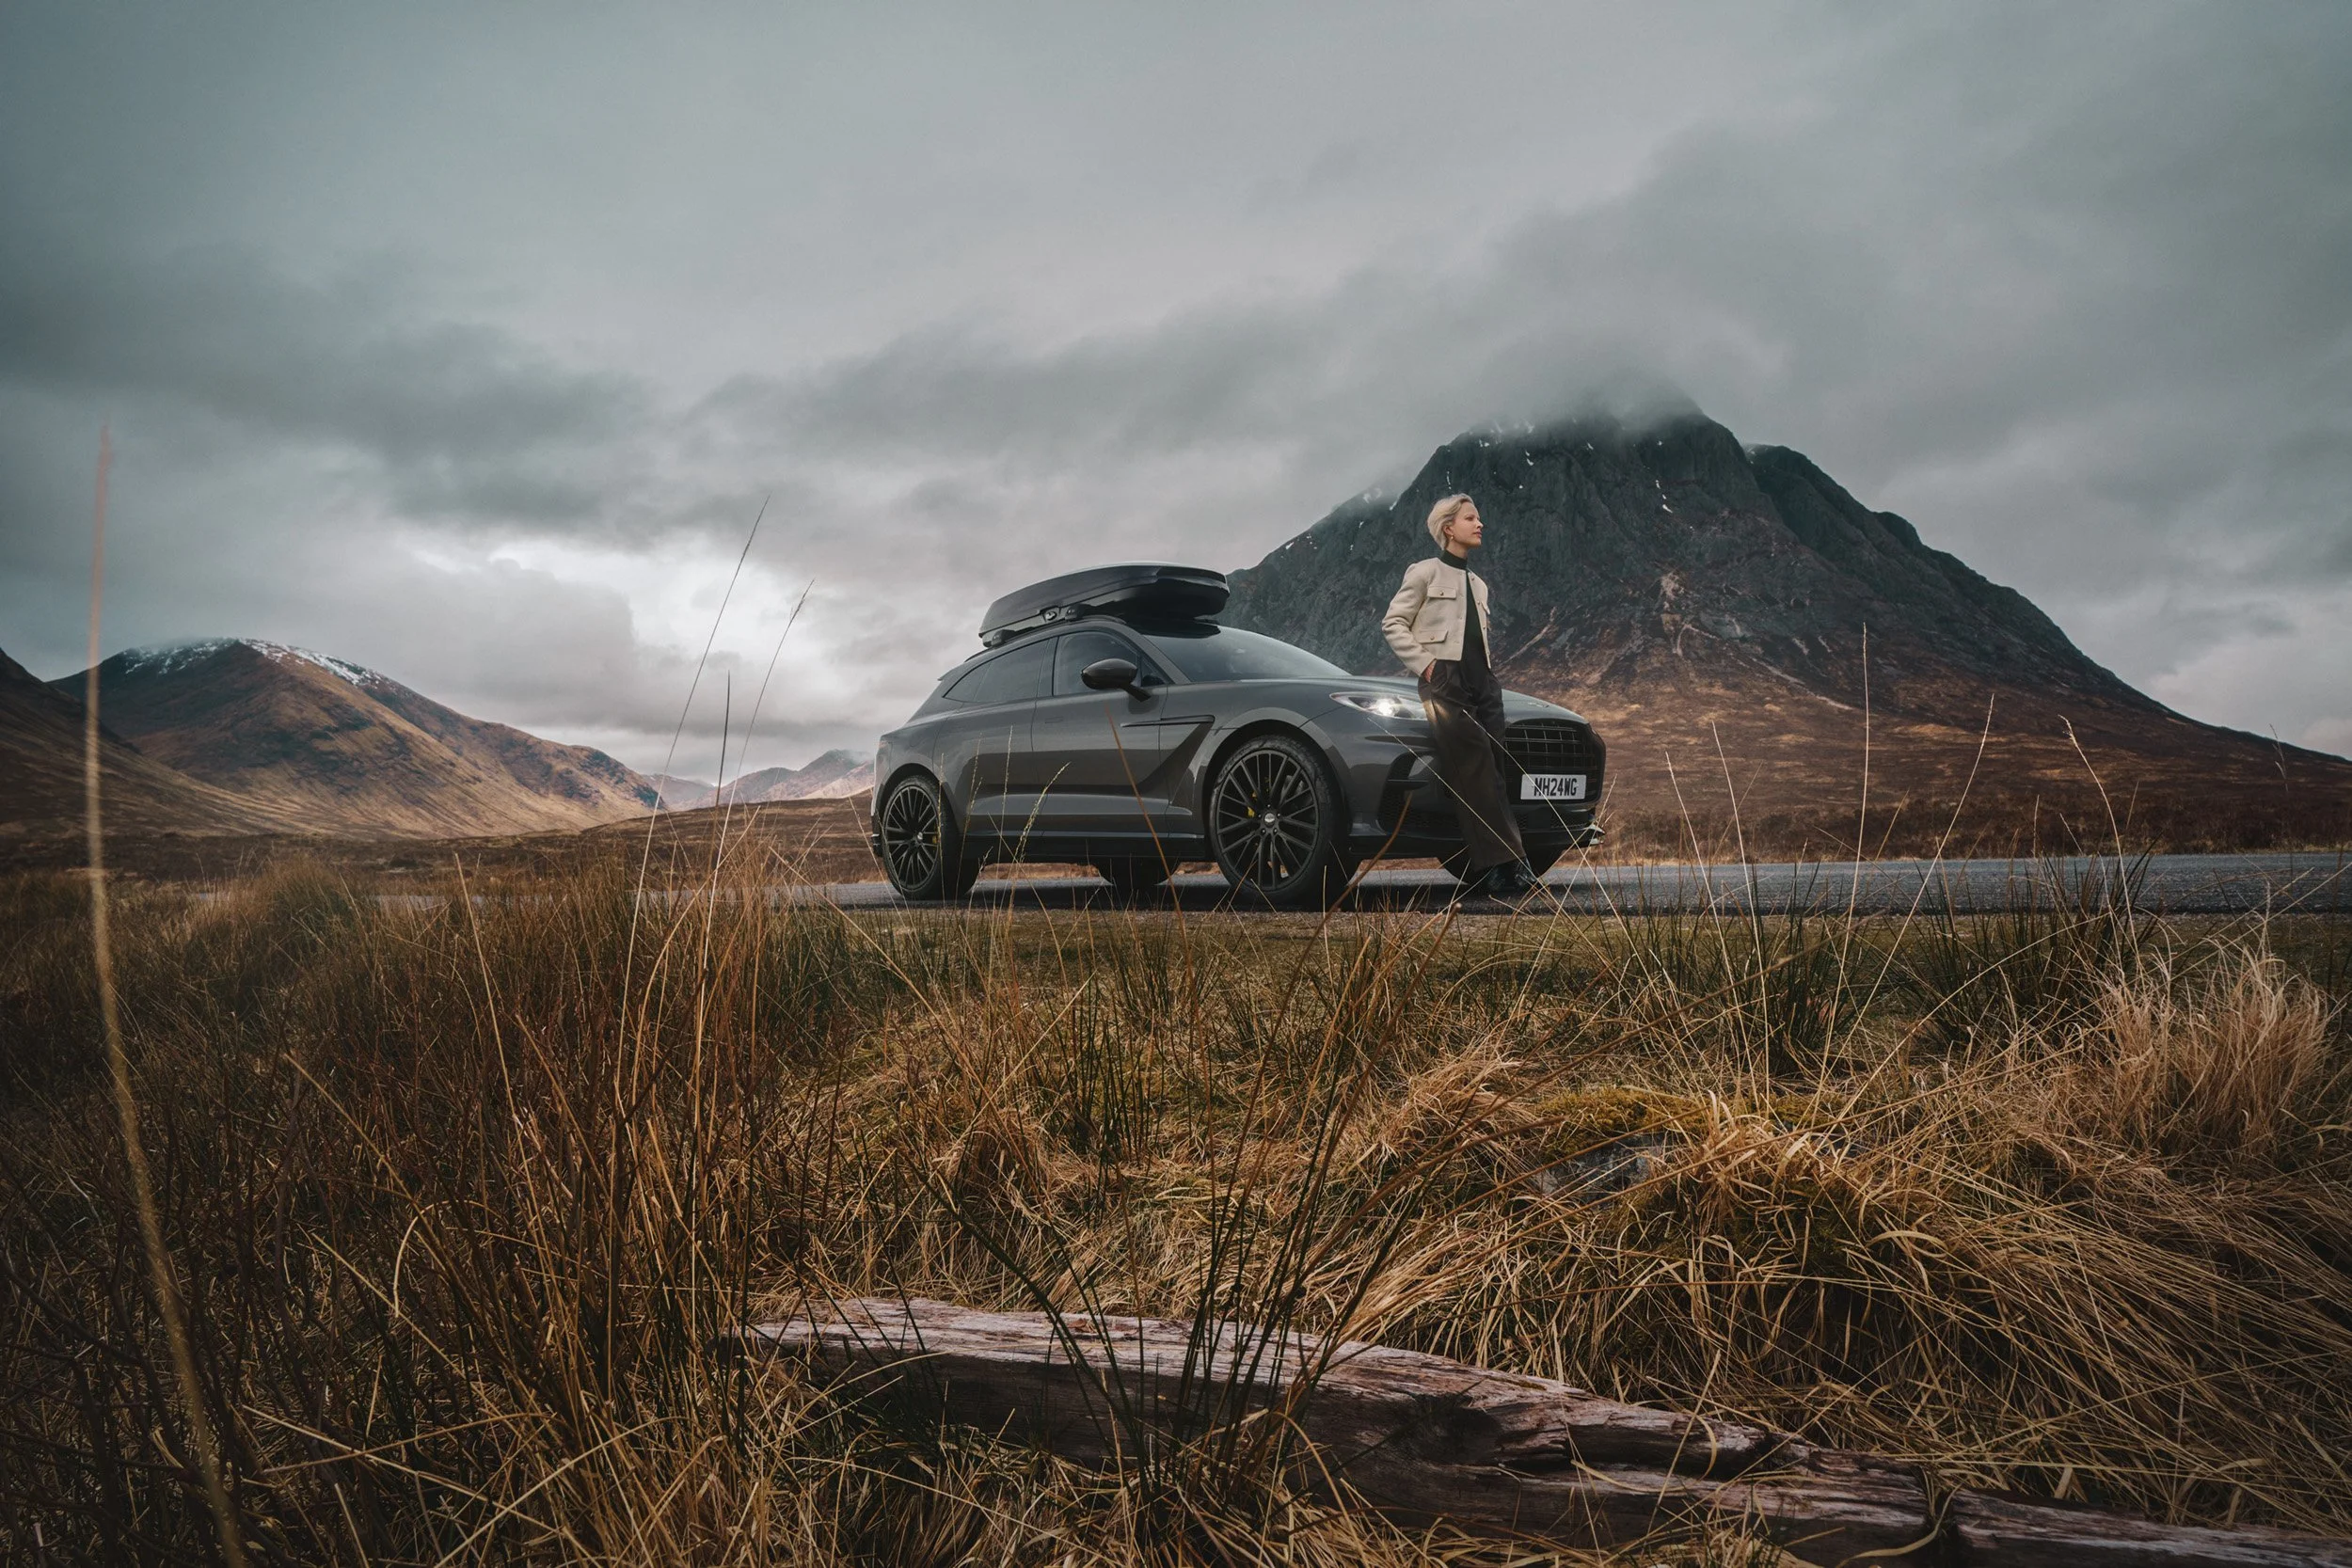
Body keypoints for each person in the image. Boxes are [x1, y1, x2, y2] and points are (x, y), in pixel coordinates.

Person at [1381, 495, 1538, 900]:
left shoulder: (1478, 583)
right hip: (1444, 678)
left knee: (1495, 768)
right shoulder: (1424, 572)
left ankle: (1502, 866)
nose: (1479, 524)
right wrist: (1428, 666)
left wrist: (1487, 676)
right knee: (1474, 768)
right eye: (1471, 518)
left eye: (1480, 518)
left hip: (1482, 680)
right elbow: (1393, 623)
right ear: (1449, 528)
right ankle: (1507, 867)